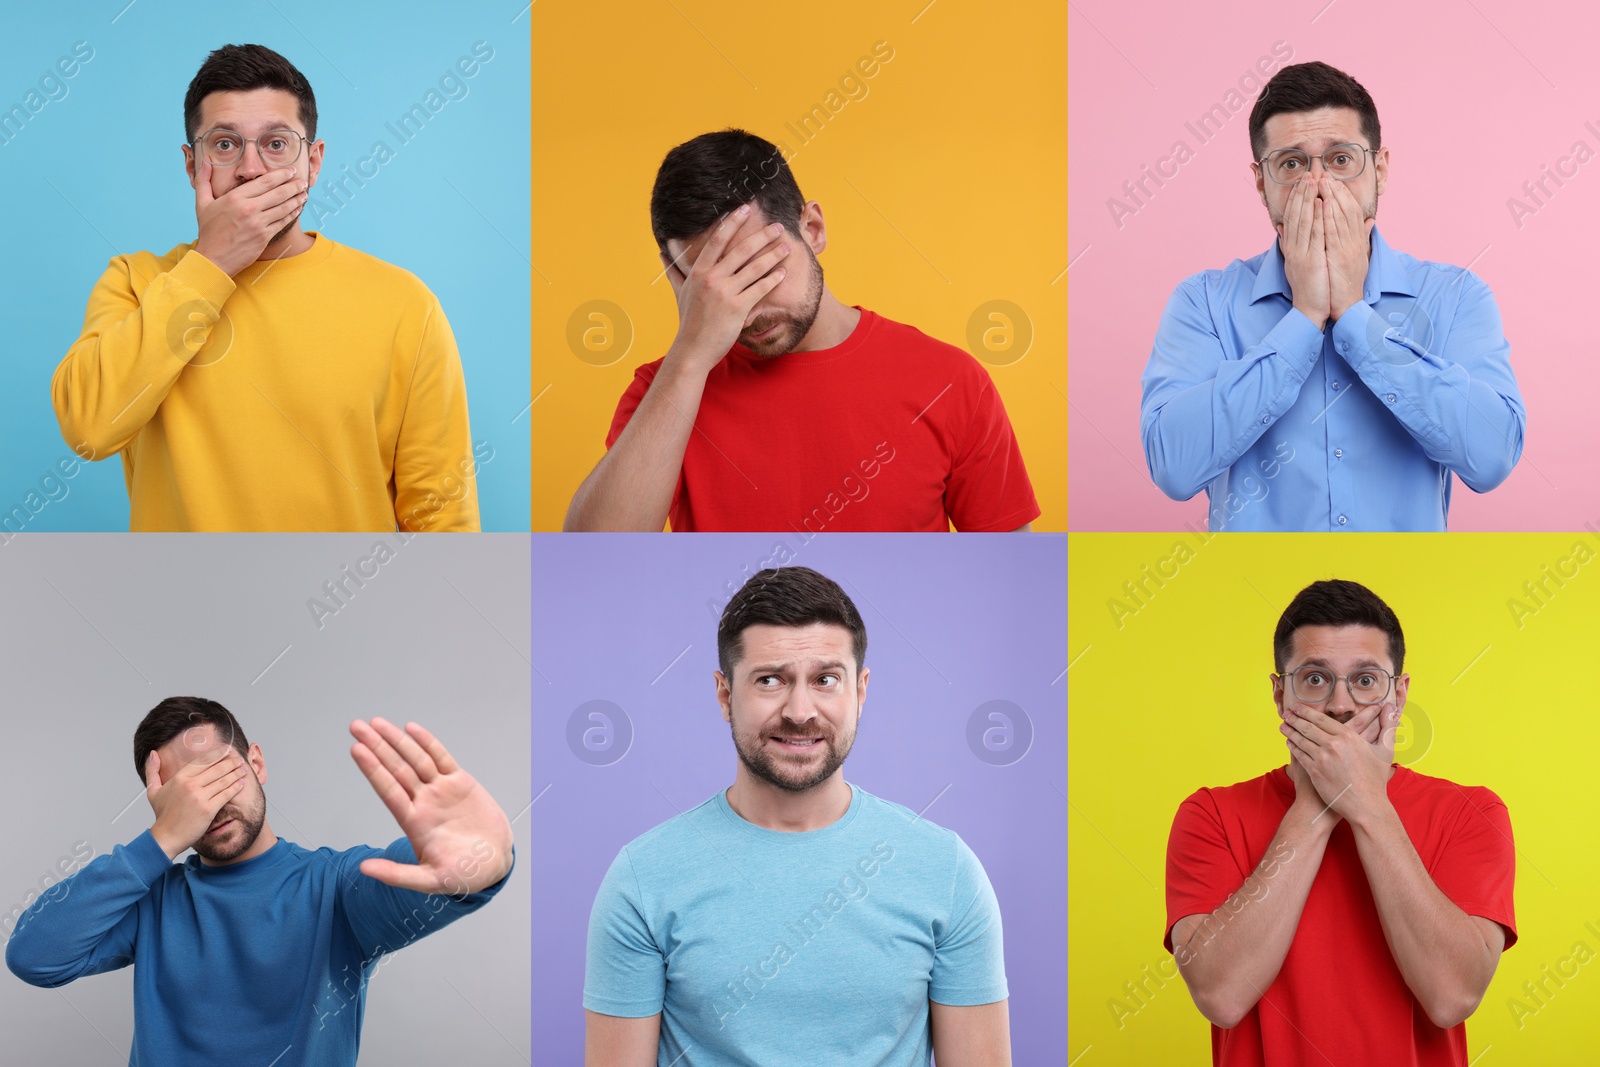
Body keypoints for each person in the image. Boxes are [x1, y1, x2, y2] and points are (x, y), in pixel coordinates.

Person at [583, 567, 1011, 1065]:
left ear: (861, 691)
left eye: (826, 679)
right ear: (725, 696)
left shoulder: (947, 870)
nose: (801, 710)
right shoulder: (644, 877)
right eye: (770, 680)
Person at [51, 44, 481, 532]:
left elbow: (442, 519)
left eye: (276, 144)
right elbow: (88, 429)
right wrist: (211, 263)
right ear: (192, 165)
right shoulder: (136, 282)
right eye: (225, 144)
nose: (251, 170)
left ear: (313, 163)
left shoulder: (405, 304)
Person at [564, 129, 1038, 533]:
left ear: (811, 228)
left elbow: (1013, 577)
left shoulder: (950, 379)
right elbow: (594, 562)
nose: (746, 312)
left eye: (757, 269)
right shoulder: (663, 391)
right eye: (714, 285)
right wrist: (689, 357)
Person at [5, 697, 514, 1065]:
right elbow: (35, 956)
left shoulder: (333, 887)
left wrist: (476, 859)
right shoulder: (151, 900)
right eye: (188, 795)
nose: (212, 803)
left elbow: (411, 870)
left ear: (256, 763)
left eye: (219, 776)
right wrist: (161, 840)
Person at [1139, 62, 1525, 531]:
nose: (1318, 186)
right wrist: (1303, 319)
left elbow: (1491, 458)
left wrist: (1355, 316)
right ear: (1262, 182)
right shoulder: (1203, 303)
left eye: (1341, 159)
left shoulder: (1455, 297)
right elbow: (1174, 469)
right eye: (1292, 164)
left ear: (1380, 169)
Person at [1164, 580, 1515, 1065]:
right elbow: (1221, 996)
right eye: (1314, 679)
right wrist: (1318, 804)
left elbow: (1451, 998)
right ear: (1279, 693)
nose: (1340, 705)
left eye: (1366, 680)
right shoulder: (1209, 815)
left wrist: (1368, 805)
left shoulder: (1472, 813)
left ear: (1401, 693)